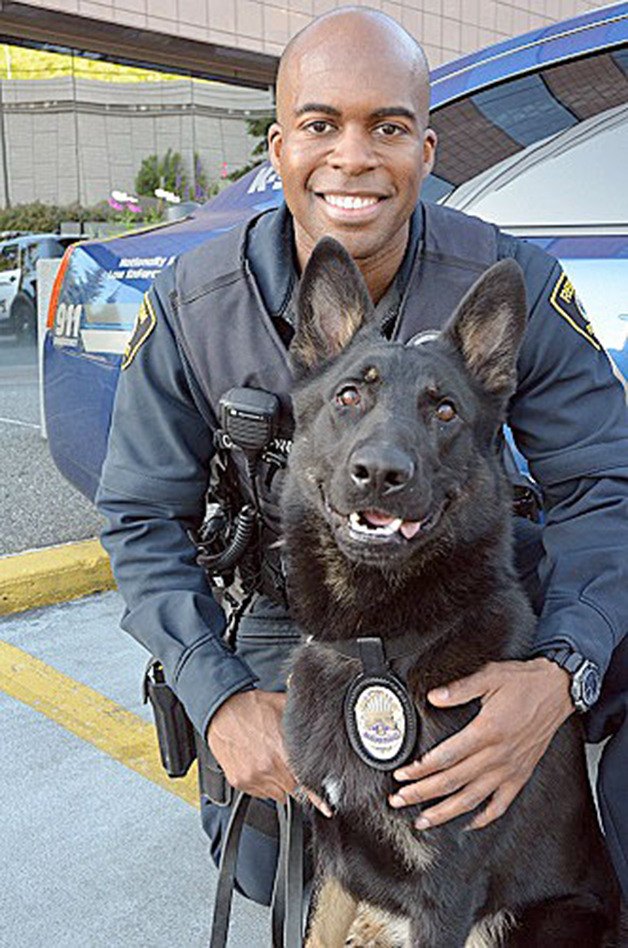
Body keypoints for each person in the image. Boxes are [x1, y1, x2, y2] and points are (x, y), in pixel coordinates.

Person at [97, 7, 628, 908]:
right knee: (278, 862)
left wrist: (560, 671)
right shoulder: (197, 304)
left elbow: (603, 485)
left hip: (479, 587)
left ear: (426, 147)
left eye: (386, 127)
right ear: (278, 147)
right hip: (300, 601)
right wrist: (216, 696)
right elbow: (142, 517)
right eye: (320, 125)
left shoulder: (512, 280)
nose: (352, 157)